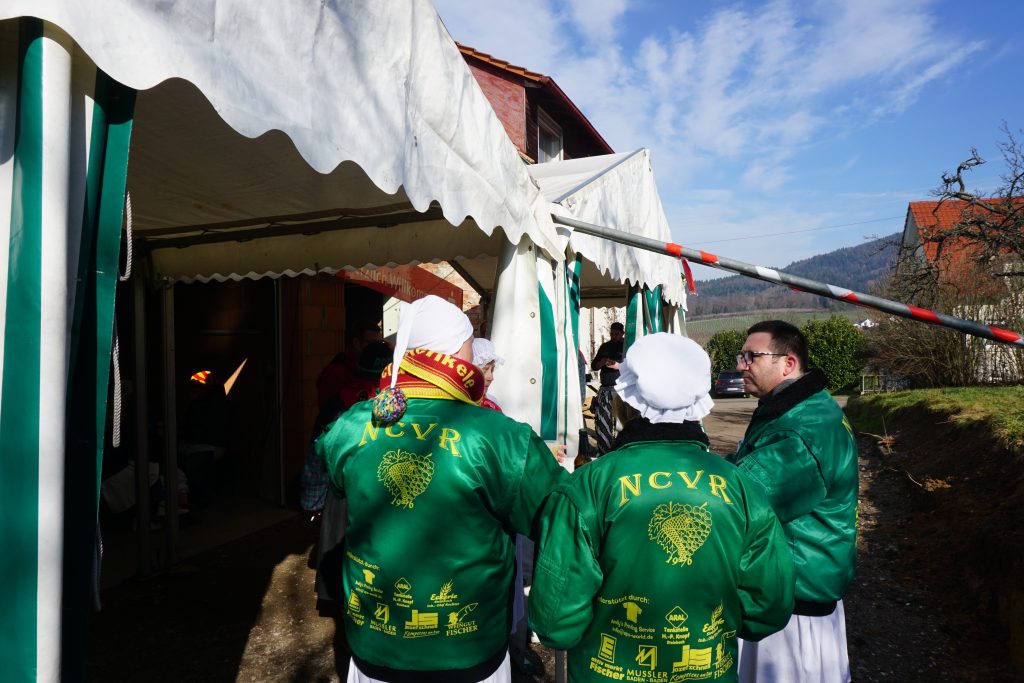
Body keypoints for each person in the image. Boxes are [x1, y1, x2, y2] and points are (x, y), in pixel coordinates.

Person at [316, 295, 568, 683]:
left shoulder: (354, 424)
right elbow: (559, 514)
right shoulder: (500, 436)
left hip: (376, 645)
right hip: (468, 650)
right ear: (458, 352)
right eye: (469, 343)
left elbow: (334, 469)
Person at [529, 333, 795, 682]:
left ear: (625, 402)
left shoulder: (585, 487)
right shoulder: (742, 487)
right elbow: (767, 609)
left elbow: (556, 622)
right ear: (697, 404)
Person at [730, 320, 858, 683]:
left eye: (751, 356)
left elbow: (741, 501)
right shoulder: (799, 409)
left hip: (791, 606)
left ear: (787, 364)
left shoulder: (801, 432)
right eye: (742, 356)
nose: (742, 364)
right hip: (797, 584)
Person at [591, 322, 624, 454]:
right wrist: (602, 361)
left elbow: (634, 366)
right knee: (603, 422)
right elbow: (594, 366)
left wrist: (619, 366)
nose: (614, 336)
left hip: (621, 391)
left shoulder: (626, 346)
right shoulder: (605, 347)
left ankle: (620, 451)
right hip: (605, 390)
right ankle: (604, 451)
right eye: (612, 333)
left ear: (622, 334)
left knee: (620, 424)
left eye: (616, 334)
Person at [472, 337, 505, 412]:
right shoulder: (459, 406)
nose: (491, 378)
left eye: (492, 370)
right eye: (484, 370)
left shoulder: (492, 403)